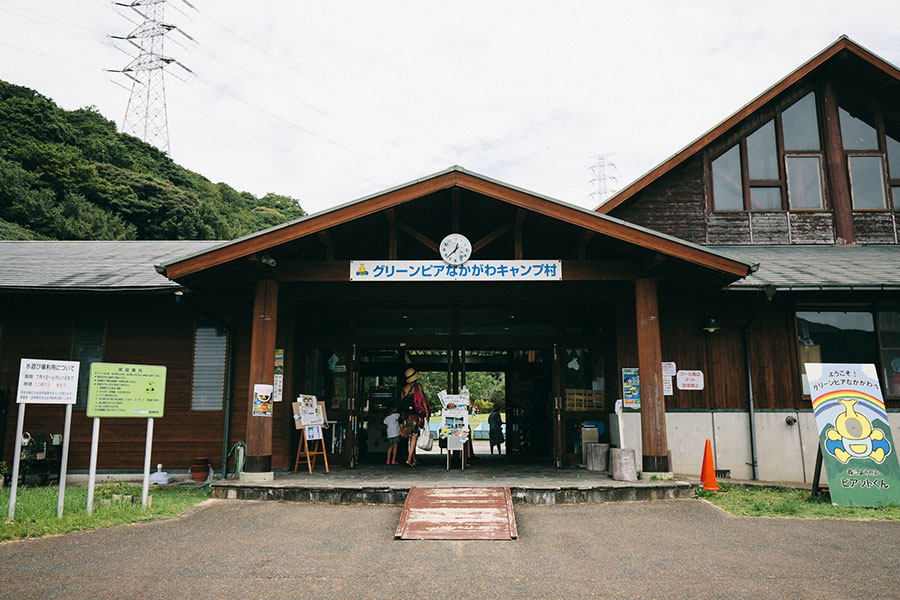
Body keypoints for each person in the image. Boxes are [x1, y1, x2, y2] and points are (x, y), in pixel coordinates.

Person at [400, 368, 430, 467]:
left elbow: (402, 404)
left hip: (407, 416)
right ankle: (409, 459)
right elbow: (422, 400)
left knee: (411, 438)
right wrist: (426, 413)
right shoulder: (418, 387)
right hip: (416, 416)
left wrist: (403, 417)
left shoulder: (404, 389)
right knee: (414, 437)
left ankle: (414, 459)